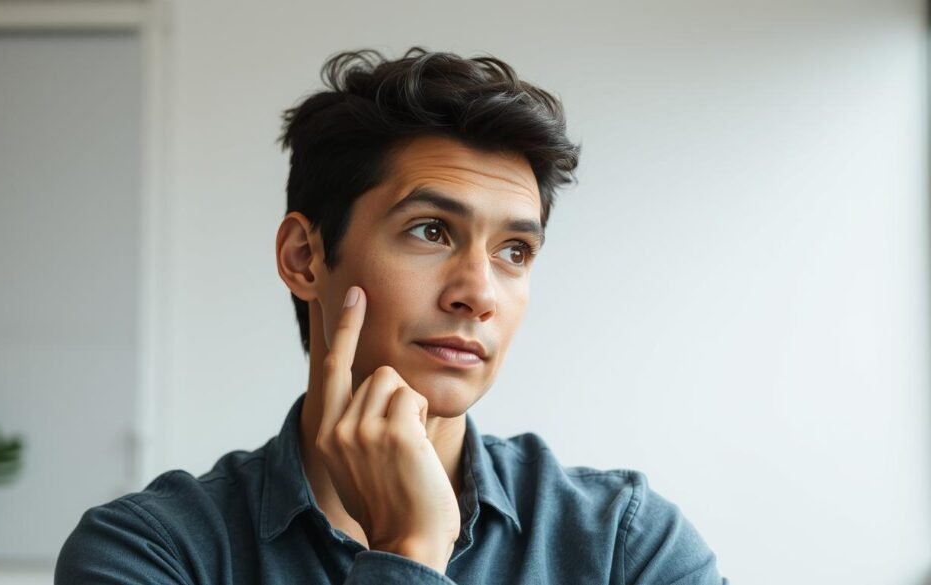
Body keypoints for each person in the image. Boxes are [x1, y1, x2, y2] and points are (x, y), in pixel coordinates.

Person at [55, 47, 729, 584]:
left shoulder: (626, 545)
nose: (479, 292)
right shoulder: (153, 553)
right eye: (431, 231)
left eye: (514, 250)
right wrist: (410, 550)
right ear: (303, 257)